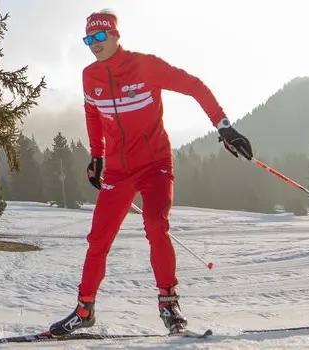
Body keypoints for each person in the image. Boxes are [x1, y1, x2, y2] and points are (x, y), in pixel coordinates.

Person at [48, 9, 253, 336]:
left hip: (155, 164)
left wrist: (225, 127)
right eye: (88, 39)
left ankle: (168, 303)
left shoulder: (145, 66)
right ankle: (84, 309)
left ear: (115, 35)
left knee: (156, 225)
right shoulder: (90, 76)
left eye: (100, 36)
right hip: (117, 171)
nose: (94, 44)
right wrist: (97, 156)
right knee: (98, 238)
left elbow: (194, 86)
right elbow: (92, 114)